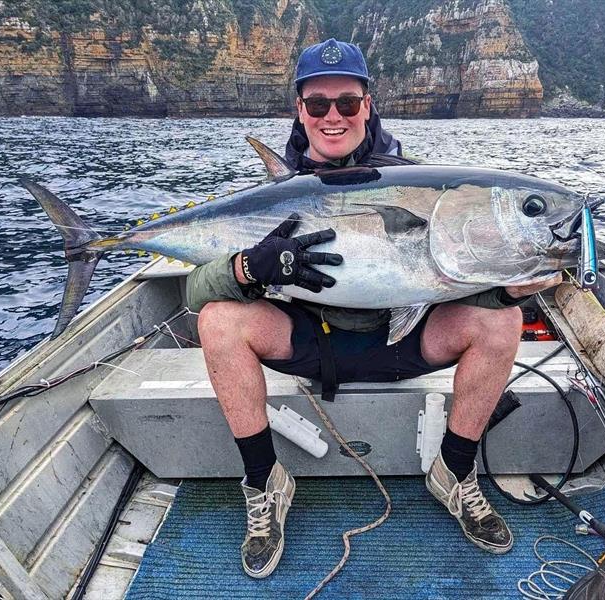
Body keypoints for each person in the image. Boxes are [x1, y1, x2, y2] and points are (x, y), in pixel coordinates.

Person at [186, 38, 562, 579]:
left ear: (367, 106)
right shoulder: (274, 195)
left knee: (501, 318)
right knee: (218, 319)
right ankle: (265, 481)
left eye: (346, 102)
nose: (332, 116)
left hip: (399, 339)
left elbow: (442, 272)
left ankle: (454, 473)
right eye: (318, 104)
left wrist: (504, 291)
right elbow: (193, 294)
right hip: (310, 342)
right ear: (300, 111)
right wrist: (250, 267)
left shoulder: (414, 184)